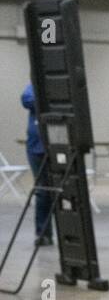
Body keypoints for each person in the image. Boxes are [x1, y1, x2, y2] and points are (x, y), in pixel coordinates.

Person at [20, 83, 53, 247]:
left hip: (57, 147)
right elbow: (26, 100)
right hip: (36, 148)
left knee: (64, 192)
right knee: (43, 191)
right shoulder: (33, 86)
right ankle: (43, 234)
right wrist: (48, 99)